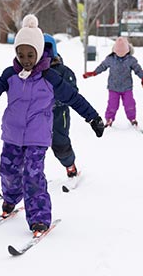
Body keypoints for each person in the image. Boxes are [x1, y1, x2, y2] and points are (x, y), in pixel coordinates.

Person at [0, 15, 104, 236]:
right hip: (12, 134)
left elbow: (74, 98)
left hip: (37, 137)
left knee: (33, 176)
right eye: (20, 55)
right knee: (8, 171)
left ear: (40, 52)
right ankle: (11, 199)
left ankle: (39, 218)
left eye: (30, 55)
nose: (26, 60)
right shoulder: (11, 74)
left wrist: (93, 118)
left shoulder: (50, 78)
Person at [82, 37, 143, 128]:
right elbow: (102, 66)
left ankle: (132, 118)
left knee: (130, 104)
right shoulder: (110, 59)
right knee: (112, 105)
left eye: (123, 53)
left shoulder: (131, 60)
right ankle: (109, 119)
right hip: (113, 87)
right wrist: (94, 73)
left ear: (127, 51)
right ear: (114, 51)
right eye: (118, 53)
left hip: (127, 87)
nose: (120, 55)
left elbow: (138, 69)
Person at [43, 34, 80, 179]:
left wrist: (55, 100)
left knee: (60, 142)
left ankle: (70, 166)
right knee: (30, 144)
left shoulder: (63, 71)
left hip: (59, 114)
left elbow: (72, 92)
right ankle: (24, 175)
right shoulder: (32, 70)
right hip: (37, 115)